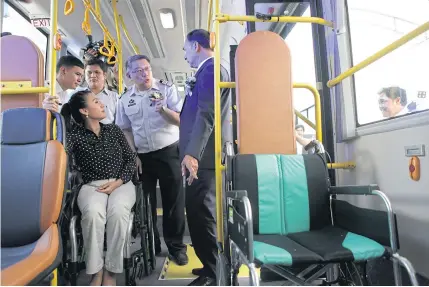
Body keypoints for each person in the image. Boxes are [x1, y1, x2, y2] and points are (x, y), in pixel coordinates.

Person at [115, 54, 188, 265]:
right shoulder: (124, 99)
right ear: (129, 75)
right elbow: (125, 129)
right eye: (138, 71)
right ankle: (151, 243)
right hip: (142, 157)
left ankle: (176, 248)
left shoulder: (166, 90)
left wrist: (163, 110)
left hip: (169, 152)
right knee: (145, 204)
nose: (144, 73)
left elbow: (181, 120)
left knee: (173, 203)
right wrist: (133, 155)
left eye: (146, 69)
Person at [61, 90, 137, 286]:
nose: (102, 104)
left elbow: (130, 160)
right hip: (91, 185)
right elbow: (61, 153)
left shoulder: (114, 130)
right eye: (96, 101)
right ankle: (95, 271)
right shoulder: (74, 136)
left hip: (121, 182)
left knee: (118, 212)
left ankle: (111, 271)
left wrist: (119, 181)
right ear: (85, 110)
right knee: (93, 214)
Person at [180, 28, 232, 286]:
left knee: (204, 214)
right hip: (201, 156)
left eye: (186, 48)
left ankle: (215, 275)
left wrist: (192, 154)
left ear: (196, 46)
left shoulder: (212, 70)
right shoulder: (205, 71)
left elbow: (206, 114)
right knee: (197, 214)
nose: (185, 53)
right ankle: (208, 265)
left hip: (204, 159)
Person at [77, 58, 119, 124]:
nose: (93, 76)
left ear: (104, 75)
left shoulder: (115, 97)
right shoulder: (77, 95)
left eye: (97, 72)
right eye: (89, 72)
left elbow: (120, 123)